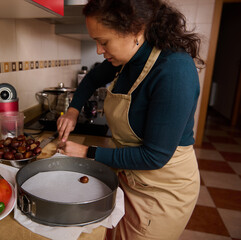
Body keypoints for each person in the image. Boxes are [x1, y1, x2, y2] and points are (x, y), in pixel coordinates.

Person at [57, 0, 204, 239]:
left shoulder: (174, 71)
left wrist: (87, 152)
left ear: (137, 29)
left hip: (161, 192)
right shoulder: (129, 59)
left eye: (104, 42)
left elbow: (154, 156)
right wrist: (73, 109)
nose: (98, 50)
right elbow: (93, 77)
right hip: (129, 177)